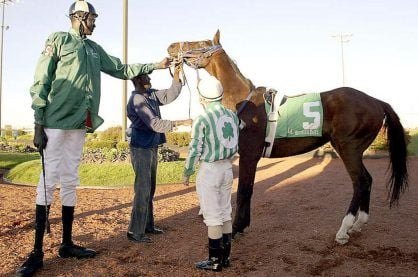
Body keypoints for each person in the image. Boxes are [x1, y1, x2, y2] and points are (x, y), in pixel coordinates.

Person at [16, 1, 171, 276]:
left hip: (79, 124)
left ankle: (67, 243)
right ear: (80, 17)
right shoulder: (59, 39)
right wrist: (38, 123)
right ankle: (37, 251)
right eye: (93, 18)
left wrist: (156, 65)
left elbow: (121, 69)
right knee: (47, 180)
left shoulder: (94, 49)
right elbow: (41, 80)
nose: (96, 22)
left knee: (70, 180)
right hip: (54, 122)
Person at [126, 63, 191, 243]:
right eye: (147, 76)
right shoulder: (138, 99)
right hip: (141, 148)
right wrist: (180, 123)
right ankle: (134, 231)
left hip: (151, 145)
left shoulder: (150, 94)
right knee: (143, 189)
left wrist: (177, 74)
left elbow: (170, 94)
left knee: (150, 188)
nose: (150, 78)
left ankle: (147, 226)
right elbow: (154, 124)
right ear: (138, 79)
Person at [183, 76, 239, 272]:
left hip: (210, 170)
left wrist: (187, 171)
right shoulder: (232, 115)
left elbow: (194, 149)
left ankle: (214, 260)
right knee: (225, 212)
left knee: (213, 216)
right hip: (227, 168)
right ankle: (225, 258)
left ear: (202, 98)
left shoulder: (202, 119)